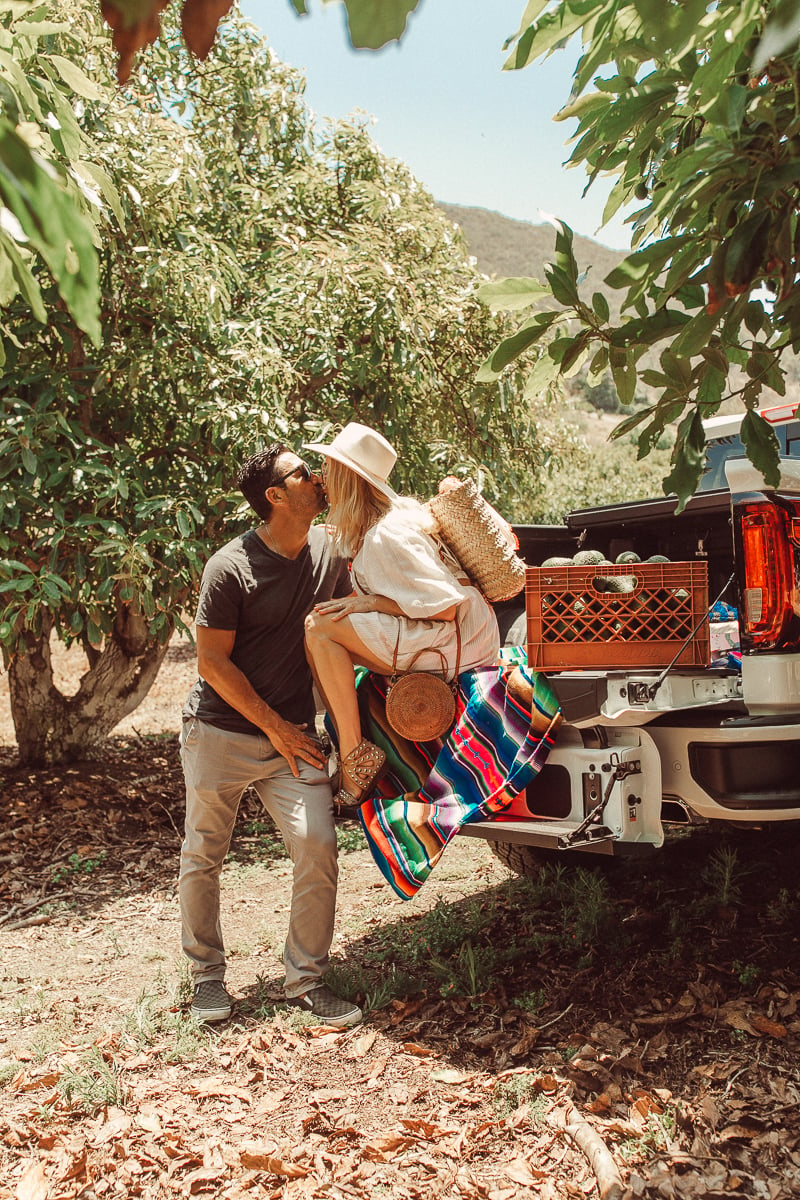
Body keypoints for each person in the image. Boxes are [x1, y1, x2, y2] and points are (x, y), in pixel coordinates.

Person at [179, 443, 363, 1028]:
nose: (315, 476)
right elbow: (212, 664)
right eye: (301, 472)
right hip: (221, 735)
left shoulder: (330, 551)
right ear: (275, 496)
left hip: (296, 742)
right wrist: (278, 728)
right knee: (204, 854)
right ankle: (207, 979)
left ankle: (305, 981)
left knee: (318, 846)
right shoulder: (229, 567)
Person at [303, 422, 501, 812]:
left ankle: (353, 755)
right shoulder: (383, 525)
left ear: (348, 478)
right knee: (322, 628)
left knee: (320, 630)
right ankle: (350, 746)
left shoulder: (387, 534)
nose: (321, 477)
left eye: (328, 468)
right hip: (456, 634)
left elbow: (445, 606)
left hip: (459, 640)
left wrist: (369, 604)